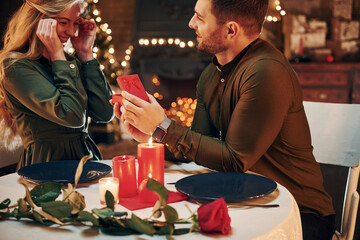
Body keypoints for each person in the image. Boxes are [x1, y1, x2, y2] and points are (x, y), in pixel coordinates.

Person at [113, 0, 335, 239]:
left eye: (200, 17)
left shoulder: (266, 71)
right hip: (245, 199)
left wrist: (163, 126)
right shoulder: (212, 73)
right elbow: (200, 147)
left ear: (231, 30)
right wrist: (152, 132)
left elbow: (235, 159)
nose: (191, 23)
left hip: (297, 213)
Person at [0, 0, 114, 170]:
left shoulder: (68, 62)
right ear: (38, 20)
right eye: (63, 22)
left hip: (87, 163)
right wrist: (58, 55)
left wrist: (85, 54)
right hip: (45, 168)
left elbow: (105, 113)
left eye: (76, 23)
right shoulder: (16, 67)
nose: (71, 32)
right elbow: (71, 116)